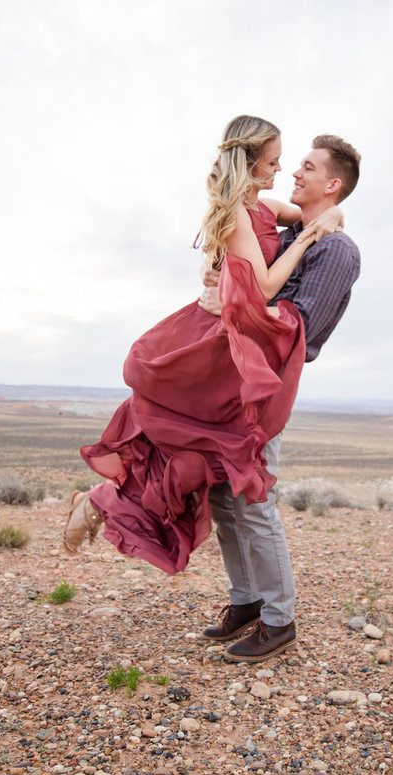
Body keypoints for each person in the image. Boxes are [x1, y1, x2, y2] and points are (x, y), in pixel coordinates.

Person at [62, 116, 343, 581]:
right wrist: (313, 236)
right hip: (211, 344)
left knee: (197, 460)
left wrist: (331, 216)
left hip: (231, 347)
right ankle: (99, 502)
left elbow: (318, 213)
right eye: (272, 162)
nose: (280, 170)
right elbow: (268, 285)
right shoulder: (234, 212)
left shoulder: (266, 207)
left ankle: (99, 503)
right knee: (184, 451)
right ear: (250, 163)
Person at [197, 134, 361, 663]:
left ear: (332, 184)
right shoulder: (291, 228)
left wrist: (234, 297)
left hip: (267, 382)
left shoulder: (335, 249)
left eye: (308, 167)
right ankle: (245, 601)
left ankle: (279, 619)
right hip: (233, 376)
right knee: (223, 493)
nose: (294, 172)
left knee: (254, 495)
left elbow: (294, 329)